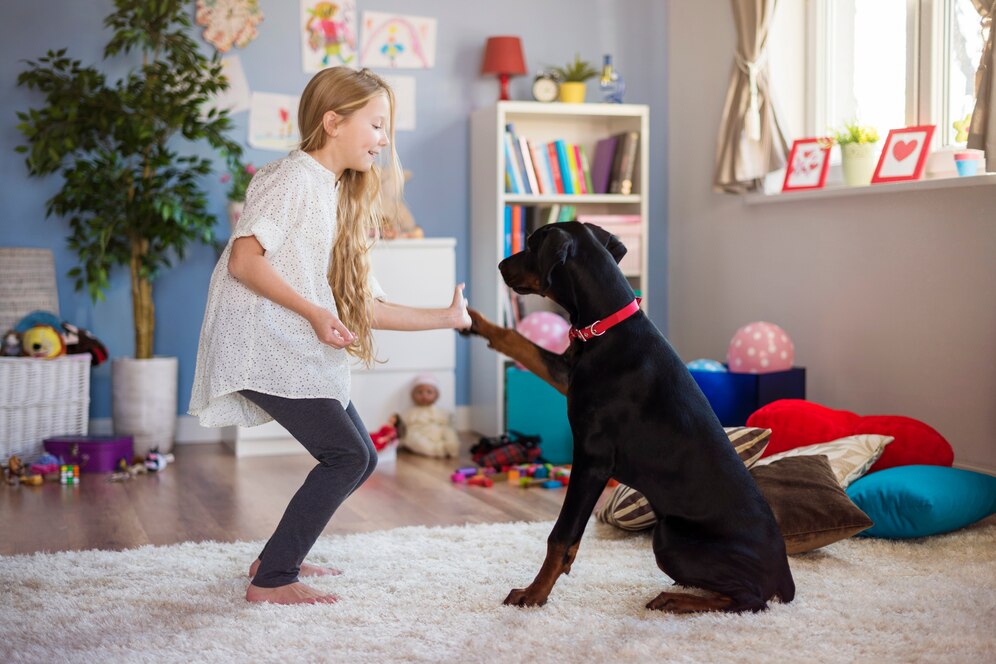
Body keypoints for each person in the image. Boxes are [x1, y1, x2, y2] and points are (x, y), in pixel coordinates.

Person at [189, 67, 471, 606]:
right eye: (377, 124)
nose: (385, 140)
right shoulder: (291, 178)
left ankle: (274, 559)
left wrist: (447, 317)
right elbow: (245, 263)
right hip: (261, 346)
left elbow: (366, 306)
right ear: (333, 122)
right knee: (345, 455)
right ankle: (271, 581)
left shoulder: (335, 194)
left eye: (388, 128)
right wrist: (316, 313)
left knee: (359, 455)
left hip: (290, 345)